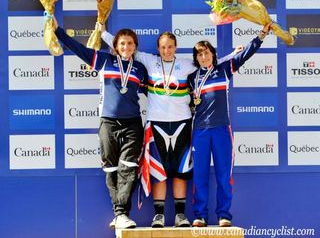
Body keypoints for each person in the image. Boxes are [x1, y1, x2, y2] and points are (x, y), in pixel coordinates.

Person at [101, 26, 242, 227]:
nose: (167, 51)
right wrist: (102, 33)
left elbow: (210, 64)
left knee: (180, 171)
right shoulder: (149, 60)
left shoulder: (187, 65)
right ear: (158, 48)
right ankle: (158, 215)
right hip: (155, 123)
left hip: (182, 123)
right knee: (159, 171)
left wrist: (231, 56)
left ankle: (180, 215)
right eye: (163, 47)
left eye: (170, 47)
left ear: (176, 47)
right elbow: (123, 46)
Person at [53, 17, 148, 229]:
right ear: (115, 45)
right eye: (122, 43)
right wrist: (57, 30)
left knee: (129, 168)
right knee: (111, 169)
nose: (126, 47)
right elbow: (77, 48)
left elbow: (156, 92)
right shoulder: (104, 60)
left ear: (135, 46)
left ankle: (121, 213)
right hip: (108, 122)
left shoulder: (140, 69)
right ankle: (120, 213)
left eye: (130, 43)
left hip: (133, 123)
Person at [187, 22, 273, 228]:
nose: (204, 57)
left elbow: (245, 55)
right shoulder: (191, 78)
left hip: (221, 129)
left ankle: (224, 214)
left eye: (206, 53)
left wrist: (261, 36)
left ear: (213, 55)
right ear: (196, 58)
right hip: (199, 131)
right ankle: (200, 215)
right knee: (199, 175)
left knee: (224, 174)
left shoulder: (224, 70)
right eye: (199, 54)